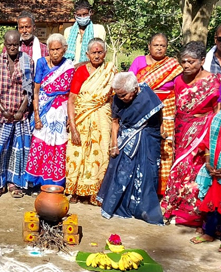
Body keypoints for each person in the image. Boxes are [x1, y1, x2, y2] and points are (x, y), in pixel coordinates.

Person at [161, 41, 221, 227]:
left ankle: (192, 214)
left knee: (193, 170)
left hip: (203, 130)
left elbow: (217, 110)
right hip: (181, 129)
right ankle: (173, 207)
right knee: (178, 167)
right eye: (184, 61)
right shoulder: (179, 80)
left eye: (191, 62)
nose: (186, 65)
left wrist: (212, 136)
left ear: (202, 60)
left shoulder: (213, 81)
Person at [97, 72, 164, 225]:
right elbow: (115, 122)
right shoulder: (117, 99)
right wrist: (114, 144)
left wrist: (162, 130)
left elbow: (159, 115)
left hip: (148, 140)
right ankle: (119, 206)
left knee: (146, 173)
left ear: (134, 89)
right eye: (118, 95)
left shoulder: (147, 96)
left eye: (124, 95)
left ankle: (143, 209)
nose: (121, 99)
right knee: (122, 173)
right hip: (125, 139)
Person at [129, 33, 183, 195]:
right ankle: (138, 187)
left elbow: (179, 86)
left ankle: (161, 189)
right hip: (142, 108)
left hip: (166, 109)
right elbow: (131, 84)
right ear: (149, 46)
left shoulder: (173, 64)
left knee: (165, 145)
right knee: (142, 144)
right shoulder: (139, 61)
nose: (159, 48)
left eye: (162, 46)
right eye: (156, 45)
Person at [65, 38, 115, 205]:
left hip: (103, 120)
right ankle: (75, 192)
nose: (96, 55)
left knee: (100, 154)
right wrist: (72, 127)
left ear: (105, 53)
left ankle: (94, 193)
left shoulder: (110, 71)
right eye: (93, 52)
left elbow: (115, 99)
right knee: (77, 154)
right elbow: (71, 99)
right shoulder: (80, 72)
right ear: (87, 54)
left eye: (100, 52)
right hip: (81, 119)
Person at [0, 30, 33, 198]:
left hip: (21, 116)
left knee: (17, 150)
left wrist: (21, 110)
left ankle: (14, 183)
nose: (12, 47)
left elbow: (30, 90)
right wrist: (2, 109)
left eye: (15, 44)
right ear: (4, 45)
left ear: (20, 44)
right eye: (9, 44)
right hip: (1, 115)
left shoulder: (27, 62)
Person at [25, 33, 75, 189]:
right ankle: (37, 182)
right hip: (44, 109)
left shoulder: (69, 66)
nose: (54, 53)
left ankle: (55, 182)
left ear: (64, 49)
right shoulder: (41, 63)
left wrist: (69, 117)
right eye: (51, 49)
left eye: (58, 49)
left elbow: (71, 94)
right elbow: (36, 91)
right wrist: (37, 116)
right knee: (40, 143)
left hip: (61, 112)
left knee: (57, 145)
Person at [190, 99, 221, 251]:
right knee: (213, 205)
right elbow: (208, 144)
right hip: (214, 170)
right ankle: (209, 232)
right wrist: (208, 163)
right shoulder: (217, 118)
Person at [64, 0, 106, 64]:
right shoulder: (68, 31)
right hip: (72, 68)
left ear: (90, 13)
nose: (82, 17)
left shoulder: (98, 29)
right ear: (75, 15)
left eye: (85, 14)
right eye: (79, 15)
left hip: (93, 67)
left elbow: (101, 52)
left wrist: (80, 65)